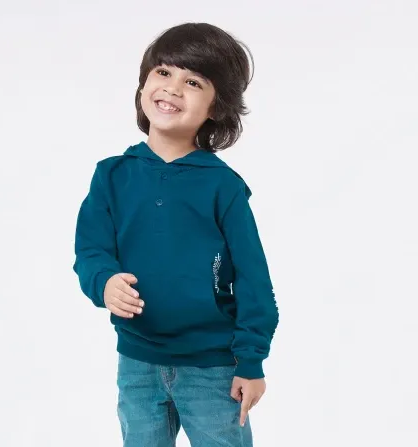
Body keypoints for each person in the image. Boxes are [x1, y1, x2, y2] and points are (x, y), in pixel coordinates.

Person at [72, 22, 279, 447]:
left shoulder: (223, 187)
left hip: (213, 368)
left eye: (194, 82)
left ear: (216, 106)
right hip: (137, 361)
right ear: (143, 84)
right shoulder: (111, 175)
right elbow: (91, 250)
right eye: (164, 72)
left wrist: (251, 361)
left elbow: (254, 279)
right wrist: (104, 282)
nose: (173, 88)